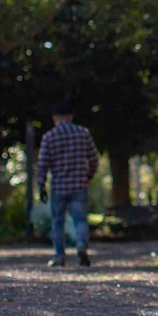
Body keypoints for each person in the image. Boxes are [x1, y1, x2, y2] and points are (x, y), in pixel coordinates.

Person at [37, 103, 99, 267]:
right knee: (80, 220)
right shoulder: (83, 134)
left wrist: (41, 184)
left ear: (54, 118)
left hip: (59, 186)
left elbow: (43, 164)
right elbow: (94, 158)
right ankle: (81, 244)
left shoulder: (49, 137)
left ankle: (59, 256)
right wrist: (89, 176)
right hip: (79, 185)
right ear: (71, 116)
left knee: (57, 221)